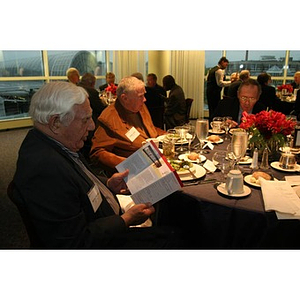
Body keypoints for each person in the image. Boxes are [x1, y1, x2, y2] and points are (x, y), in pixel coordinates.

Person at [11, 81, 184, 249]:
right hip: (104, 240)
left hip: (104, 217)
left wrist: (108, 183)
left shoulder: (54, 142)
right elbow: (75, 243)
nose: (92, 126)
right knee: (176, 237)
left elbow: (79, 178)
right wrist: (126, 220)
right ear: (56, 123)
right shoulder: (44, 170)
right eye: (85, 119)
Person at [90, 76, 166, 175]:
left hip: (155, 160)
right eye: (140, 96)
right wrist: (128, 164)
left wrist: (168, 135)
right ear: (124, 98)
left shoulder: (140, 107)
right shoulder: (109, 119)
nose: (144, 100)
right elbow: (97, 153)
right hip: (133, 173)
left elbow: (148, 128)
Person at [78, 73, 108, 162]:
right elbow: (100, 109)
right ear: (92, 83)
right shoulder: (91, 92)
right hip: (89, 123)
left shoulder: (75, 88)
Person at [206, 57, 231, 122]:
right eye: (226, 65)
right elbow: (220, 83)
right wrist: (231, 82)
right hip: (215, 92)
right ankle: (214, 122)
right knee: (215, 108)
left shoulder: (212, 69)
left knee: (211, 108)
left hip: (209, 91)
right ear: (222, 62)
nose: (226, 67)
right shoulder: (219, 71)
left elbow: (207, 79)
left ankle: (210, 121)